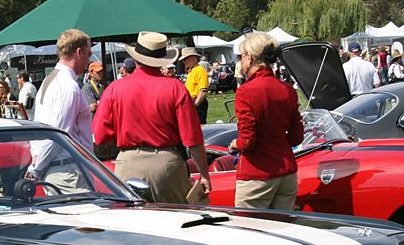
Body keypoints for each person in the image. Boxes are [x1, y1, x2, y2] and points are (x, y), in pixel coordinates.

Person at [92, 31, 210, 204]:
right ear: (162, 59)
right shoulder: (176, 88)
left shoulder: (115, 88)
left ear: (136, 58)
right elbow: (192, 139)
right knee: (174, 224)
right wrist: (204, 174)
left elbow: (100, 135)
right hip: (166, 164)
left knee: (128, 227)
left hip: (128, 162)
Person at [227, 32, 303, 210]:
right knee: (282, 228)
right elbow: (296, 137)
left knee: (250, 230)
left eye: (241, 56)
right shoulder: (287, 89)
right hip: (286, 171)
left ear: (250, 58)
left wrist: (234, 144)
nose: (240, 60)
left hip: (258, 173)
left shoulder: (246, 91)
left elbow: (247, 140)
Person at [27, 28, 94, 191]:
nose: (89, 59)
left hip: (59, 168)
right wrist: (36, 169)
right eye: (89, 54)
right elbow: (59, 134)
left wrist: (36, 160)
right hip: (69, 171)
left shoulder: (49, 81)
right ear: (79, 52)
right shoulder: (68, 87)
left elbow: (40, 126)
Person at [180, 47, 210, 124]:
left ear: (193, 58)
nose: (184, 62)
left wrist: (195, 105)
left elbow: (203, 90)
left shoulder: (199, 70)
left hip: (198, 103)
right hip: (192, 102)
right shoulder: (191, 71)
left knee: (199, 126)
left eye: (185, 59)